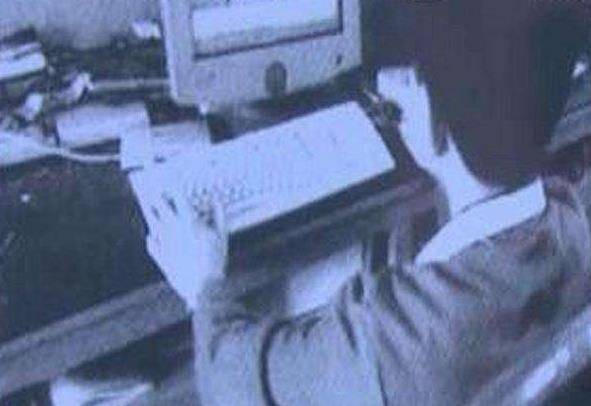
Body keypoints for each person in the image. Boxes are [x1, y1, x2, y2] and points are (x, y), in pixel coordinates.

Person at [146, 2, 591, 405]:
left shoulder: (401, 343)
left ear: (435, 122)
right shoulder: (572, 222)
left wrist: (204, 286)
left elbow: (234, 383)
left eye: (416, 71)